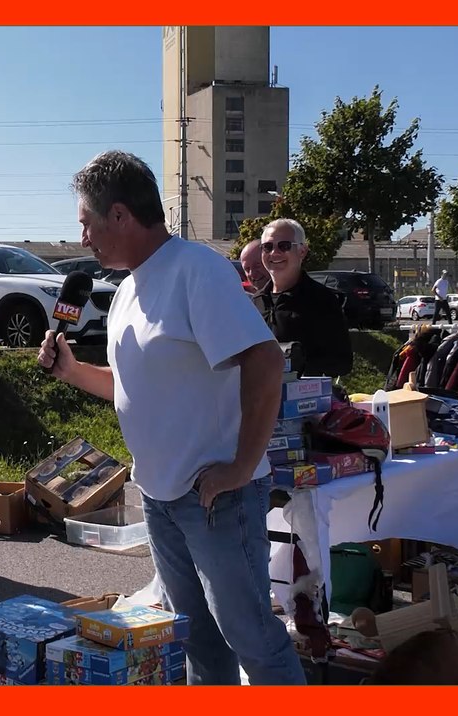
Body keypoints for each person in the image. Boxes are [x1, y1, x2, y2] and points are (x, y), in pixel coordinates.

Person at [38, 150, 306, 685]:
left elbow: (265, 359)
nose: (83, 239)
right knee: (199, 641)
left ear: (119, 215)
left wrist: (239, 466)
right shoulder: (126, 291)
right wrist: (71, 371)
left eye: (87, 224)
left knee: (252, 637)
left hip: (216, 500)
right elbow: (131, 388)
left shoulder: (195, 269)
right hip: (162, 499)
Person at [255, 219, 353, 379]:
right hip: (258, 398)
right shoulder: (255, 302)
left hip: (303, 399)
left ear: (302, 251)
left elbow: (342, 363)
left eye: (284, 246)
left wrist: (295, 364)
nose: (274, 253)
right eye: (267, 247)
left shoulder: (323, 300)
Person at [238, 241, 272, 311]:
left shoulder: (296, 298)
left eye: (257, 266)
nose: (252, 273)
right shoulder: (248, 305)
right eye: (247, 269)